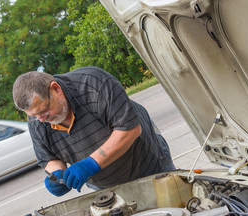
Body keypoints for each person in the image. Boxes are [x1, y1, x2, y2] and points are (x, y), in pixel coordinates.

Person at [12, 66, 175, 197]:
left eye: (45, 110)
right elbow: (50, 159)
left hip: (150, 165)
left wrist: (90, 164)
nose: (41, 119)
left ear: (56, 89)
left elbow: (129, 129)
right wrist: (56, 176)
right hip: (105, 189)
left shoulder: (93, 83)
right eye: (34, 115)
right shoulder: (37, 119)